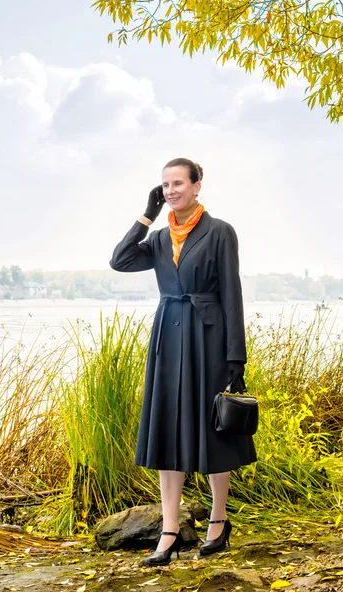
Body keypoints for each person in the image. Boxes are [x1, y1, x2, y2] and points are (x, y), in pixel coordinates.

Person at [110, 158, 257, 566]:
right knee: (168, 433)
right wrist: (147, 213)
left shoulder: (220, 232)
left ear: (196, 186)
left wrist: (235, 358)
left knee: (215, 433)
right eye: (165, 185)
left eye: (178, 183)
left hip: (208, 340)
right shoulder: (157, 237)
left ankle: (218, 520)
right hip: (169, 340)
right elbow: (120, 260)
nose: (171, 190)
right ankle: (170, 530)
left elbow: (232, 294)